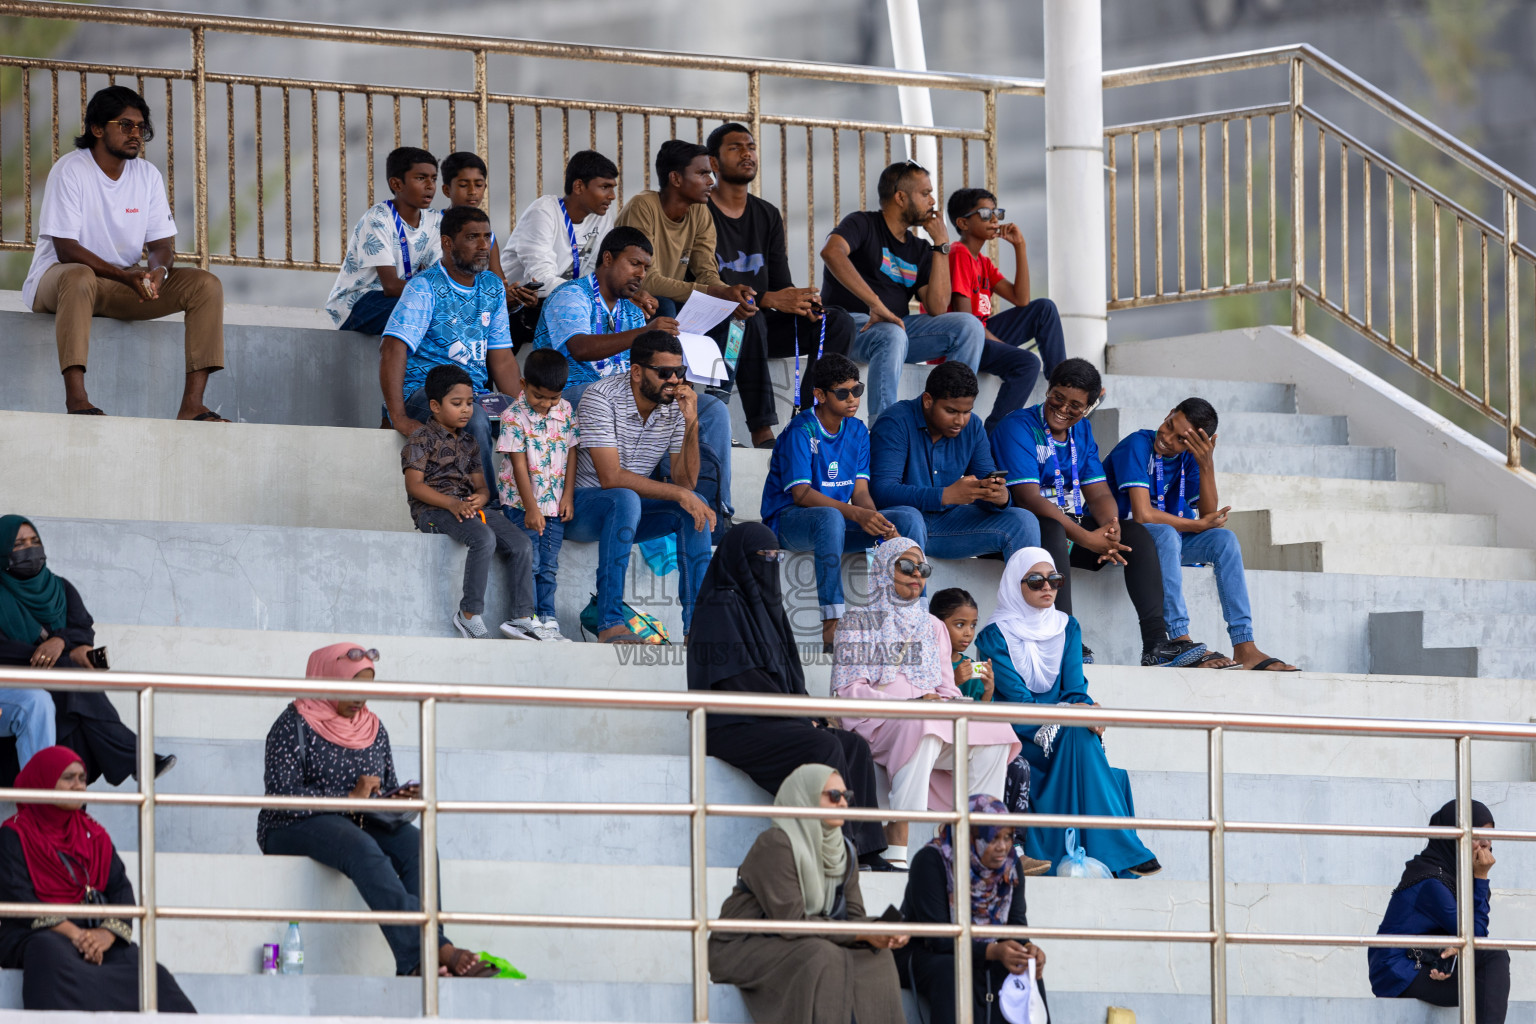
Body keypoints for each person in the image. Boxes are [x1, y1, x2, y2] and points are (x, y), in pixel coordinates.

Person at [258, 645, 497, 978]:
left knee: (418, 845)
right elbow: (281, 794)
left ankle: (420, 960)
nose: (361, 698)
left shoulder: (372, 728)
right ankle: (432, 951)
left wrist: (395, 800)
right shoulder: (292, 724)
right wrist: (347, 798)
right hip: (292, 825)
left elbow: (383, 788)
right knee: (360, 847)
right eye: (352, 687)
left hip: (358, 819)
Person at [688, 523, 897, 870]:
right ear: (740, 560)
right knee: (823, 747)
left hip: (773, 717)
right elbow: (740, 680)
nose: (770, 563)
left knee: (853, 746)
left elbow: (788, 674)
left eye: (776, 556)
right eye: (763, 557)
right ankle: (837, 849)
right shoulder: (718, 605)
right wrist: (799, 716)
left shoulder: (767, 604)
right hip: (732, 723)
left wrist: (806, 709)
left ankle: (868, 850)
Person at [22, 86, 226, 421]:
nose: (136, 134)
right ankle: (77, 400)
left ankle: (193, 405)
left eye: (141, 127)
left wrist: (158, 272)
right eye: (126, 125)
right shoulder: (71, 169)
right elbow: (66, 249)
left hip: (122, 284)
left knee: (205, 285)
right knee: (78, 274)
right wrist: (125, 275)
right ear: (98, 128)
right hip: (59, 282)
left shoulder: (147, 176)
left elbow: (161, 246)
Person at [992, 359, 1208, 668]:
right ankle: (1063, 636)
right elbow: (1028, 498)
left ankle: (1156, 644)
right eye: (1057, 398)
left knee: (1136, 533)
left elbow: (1099, 492)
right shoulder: (1018, 426)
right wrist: (1086, 538)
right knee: (1052, 528)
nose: (1064, 409)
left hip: (1070, 528)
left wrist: (1109, 527)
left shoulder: (1081, 430)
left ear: (1089, 407)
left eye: (1076, 406)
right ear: (1048, 390)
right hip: (1024, 532)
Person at [831, 538, 1019, 868]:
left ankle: (974, 835)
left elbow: (946, 688)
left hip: (927, 721)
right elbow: (850, 693)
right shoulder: (857, 621)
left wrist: (961, 704)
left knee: (995, 728)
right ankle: (898, 839)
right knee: (924, 718)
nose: (916, 574)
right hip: (877, 721)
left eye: (923, 568)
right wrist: (914, 702)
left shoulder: (933, 626)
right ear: (882, 570)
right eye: (905, 566)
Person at [976, 548, 1161, 878]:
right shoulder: (993, 637)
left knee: (1081, 728)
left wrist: (1087, 710)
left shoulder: (1067, 627)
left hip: (1064, 731)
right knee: (1078, 729)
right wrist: (1073, 713)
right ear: (1013, 586)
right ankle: (1125, 848)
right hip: (1021, 733)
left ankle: (1120, 849)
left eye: (1054, 580)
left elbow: (1076, 689)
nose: (1047, 587)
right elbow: (1019, 703)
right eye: (1035, 581)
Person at [535, 226, 738, 516]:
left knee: (710, 409)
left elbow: (643, 368)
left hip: (625, 398)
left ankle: (715, 508)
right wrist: (644, 332)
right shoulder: (571, 295)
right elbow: (579, 347)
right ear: (607, 259)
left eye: (646, 268)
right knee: (602, 396)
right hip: (572, 396)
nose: (641, 274)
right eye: (634, 264)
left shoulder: (630, 310)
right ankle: (667, 489)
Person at [1105, 399, 1298, 671]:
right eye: (1169, 425)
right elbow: (1142, 515)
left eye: (1181, 439)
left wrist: (1206, 464)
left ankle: (1244, 646)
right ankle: (1181, 640)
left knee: (1225, 540)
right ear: (1169, 413)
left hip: (1165, 541)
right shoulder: (1137, 444)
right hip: (1123, 535)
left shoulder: (1190, 459)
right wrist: (1195, 525)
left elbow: (1209, 514)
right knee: (1167, 533)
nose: (1167, 438)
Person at [709, 763, 909, 1023]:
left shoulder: (844, 852)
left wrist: (883, 931)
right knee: (822, 955)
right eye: (833, 796)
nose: (842, 804)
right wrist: (862, 932)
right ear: (805, 797)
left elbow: (854, 917)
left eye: (846, 797)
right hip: (745, 945)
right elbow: (791, 923)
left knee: (877, 958)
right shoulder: (776, 844)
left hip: (808, 939)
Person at [0, 746, 195, 1011]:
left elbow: (122, 892)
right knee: (49, 955)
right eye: (68, 778)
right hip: (40, 933)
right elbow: (18, 899)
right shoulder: (14, 834)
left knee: (153, 976)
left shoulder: (94, 834)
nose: (78, 786)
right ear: (43, 782)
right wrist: (77, 935)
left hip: (96, 936)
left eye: (82, 778)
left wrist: (104, 935)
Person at [760, 353, 924, 649]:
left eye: (857, 390)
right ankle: (831, 624)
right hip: (789, 522)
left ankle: (913, 618)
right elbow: (801, 494)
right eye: (842, 393)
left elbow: (861, 491)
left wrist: (876, 521)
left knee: (907, 517)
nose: (853, 399)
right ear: (820, 395)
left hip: (835, 522)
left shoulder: (858, 429)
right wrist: (857, 515)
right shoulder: (802, 430)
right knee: (830, 517)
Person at [706, 122, 857, 441]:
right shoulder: (701, 212)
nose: (747, 153)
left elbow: (780, 286)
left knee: (837, 321)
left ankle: (808, 417)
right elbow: (703, 285)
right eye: (735, 148)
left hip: (761, 325)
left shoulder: (767, 214)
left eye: (751, 147)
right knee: (751, 317)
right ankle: (761, 429)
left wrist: (800, 304)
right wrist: (768, 300)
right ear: (714, 163)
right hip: (719, 324)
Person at [0, 516, 174, 785]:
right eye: (19, 544)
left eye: (35, 541)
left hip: (62, 693)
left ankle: (75, 804)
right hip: (15, 686)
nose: (30, 548)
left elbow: (82, 628)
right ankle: (136, 757)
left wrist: (59, 643)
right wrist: (55, 656)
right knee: (69, 679)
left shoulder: (60, 588)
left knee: (75, 710)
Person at [566, 331, 716, 643]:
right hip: (582, 509)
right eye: (664, 373)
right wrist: (679, 493)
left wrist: (692, 424)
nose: (674, 381)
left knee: (694, 506)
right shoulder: (600, 397)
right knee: (625, 498)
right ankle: (610, 623)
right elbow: (611, 478)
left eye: (680, 373)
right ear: (637, 372)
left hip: (628, 510)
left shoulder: (676, 405)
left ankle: (697, 628)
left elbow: (685, 482)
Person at [820, 160, 983, 423]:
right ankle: (883, 427)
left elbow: (939, 307)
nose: (932, 201)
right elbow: (831, 252)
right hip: (851, 326)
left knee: (968, 327)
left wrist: (941, 244)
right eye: (925, 193)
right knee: (892, 334)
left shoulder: (919, 248)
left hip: (897, 330)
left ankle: (948, 414)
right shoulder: (863, 223)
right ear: (900, 197)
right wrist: (875, 303)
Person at [381, 204, 520, 489]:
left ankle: (530, 512)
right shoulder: (424, 287)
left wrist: (525, 408)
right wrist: (398, 417)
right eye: (473, 237)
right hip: (425, 393)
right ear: (447, 242)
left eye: (487, 237)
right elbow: (392, 349)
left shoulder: (492, 286)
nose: (484, 246)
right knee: (473, 417)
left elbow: (502, 358)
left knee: (529, 422)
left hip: (475, 394)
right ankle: (488, 506)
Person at [401, 365, 544, 641]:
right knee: (483, 538)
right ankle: (468, 615)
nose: (466, 410)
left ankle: (522, 617)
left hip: (469, 507)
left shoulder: (470, 442)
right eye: (457, 404)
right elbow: (414, 486)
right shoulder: (421, 439)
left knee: (521, 543)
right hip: (434, 511)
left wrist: (480, 497)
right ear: (435, 406)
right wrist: (452, 505)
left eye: (469, 403)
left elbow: (481, 487)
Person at [895, 795, 1051, 1024]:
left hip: (983, 948)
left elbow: (1016, 923)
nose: (1003, 847)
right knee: (953, 969)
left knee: (1023, 968)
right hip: (926, 950)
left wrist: (1027, 949)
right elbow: (938, 937)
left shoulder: (1010, 864)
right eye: (993, 838)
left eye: (1008, 837)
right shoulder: (932, 861)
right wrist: (992, 952)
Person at [869, 361, 1040, 564]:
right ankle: (914, 597)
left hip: (949, 524)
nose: (960, 421)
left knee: (1023, 521)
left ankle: (1027, 594)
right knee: (909, 517)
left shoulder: (973, 426)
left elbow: (986, 480)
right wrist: (945, 495)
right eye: (951, 411)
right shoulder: (895, 421)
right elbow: (881, 492)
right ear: (927, 400)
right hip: (900, 524)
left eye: (966, 411)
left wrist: (999, 497)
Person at [1369, 799, 1509, 1023]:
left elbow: (1469, 937)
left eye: (1489, 836)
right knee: (1494, 956)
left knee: (1491, 966)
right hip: (1399, 972)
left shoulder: (1455, 876)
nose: (1485, 844)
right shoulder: (1431, 881)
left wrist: (1450, 954)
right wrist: (1481, 877)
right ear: (1455, 835)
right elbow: (1477, 936)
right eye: (1475, 835)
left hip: (1427, 964)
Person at [944, 187, 1066, 432]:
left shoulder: (983, 262)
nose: (995, 220)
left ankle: (1063, 383)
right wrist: (1003, 345)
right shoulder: (958, 254)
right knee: (1028, 364)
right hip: (962, 344)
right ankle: (994, 432)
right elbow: (966, 321)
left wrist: (1019, 246)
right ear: (963, 223)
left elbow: (1021, 299)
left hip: (984, 336)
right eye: (986, 213)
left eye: (997, 213)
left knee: (1044, 308)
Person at [502, 150, 632, 348]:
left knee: (625, 308)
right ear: (579, 186)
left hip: (567, 300)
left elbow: (601, 271)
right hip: (519, 305)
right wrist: (593, 296)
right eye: (605, 187)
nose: (612, 196)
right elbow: (542, 280)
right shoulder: (543, 211)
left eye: (613, 187)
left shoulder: (601, 216)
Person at [614, 139, 756, 318]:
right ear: (676, 178)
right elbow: (645, 280)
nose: (711, 181)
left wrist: (730, 294)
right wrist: (715, 293)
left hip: (668, 300)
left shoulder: (700, 211)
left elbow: (706, 273)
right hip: (628, 300)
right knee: (662, 306)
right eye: (702, 173)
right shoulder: (642, 207)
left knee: (733, 311)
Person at [495, 348, 578, 641]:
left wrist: (567, 496)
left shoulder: (565, 410)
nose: (545, 404)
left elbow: (571, 452)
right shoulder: (513, 416)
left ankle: (547, 619)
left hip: (554, 505)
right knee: (530, 560)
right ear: (522, 384)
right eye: (538, 396)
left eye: (553, 397)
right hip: (521, 505)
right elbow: (518, 466)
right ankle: (525, 617)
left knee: (549, 565)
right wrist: (531, 508)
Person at [328, 146, 441, 335]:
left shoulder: (435, 221)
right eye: (421, 178)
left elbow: (438, 276)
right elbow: (390, 286)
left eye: (434, 178)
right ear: (397, 185)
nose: (430, 186)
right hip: (359, 303)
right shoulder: (378, 219)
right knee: (422, 310)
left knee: (443, 311)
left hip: (404, 297)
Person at [931, 588, 993, 702]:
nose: (968, 633)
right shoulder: (925, 665)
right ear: (937, 623)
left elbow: (981, 716)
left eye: (973, 625)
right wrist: (953, 681)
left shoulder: (971, 668)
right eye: (960, 624)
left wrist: (988, 690)